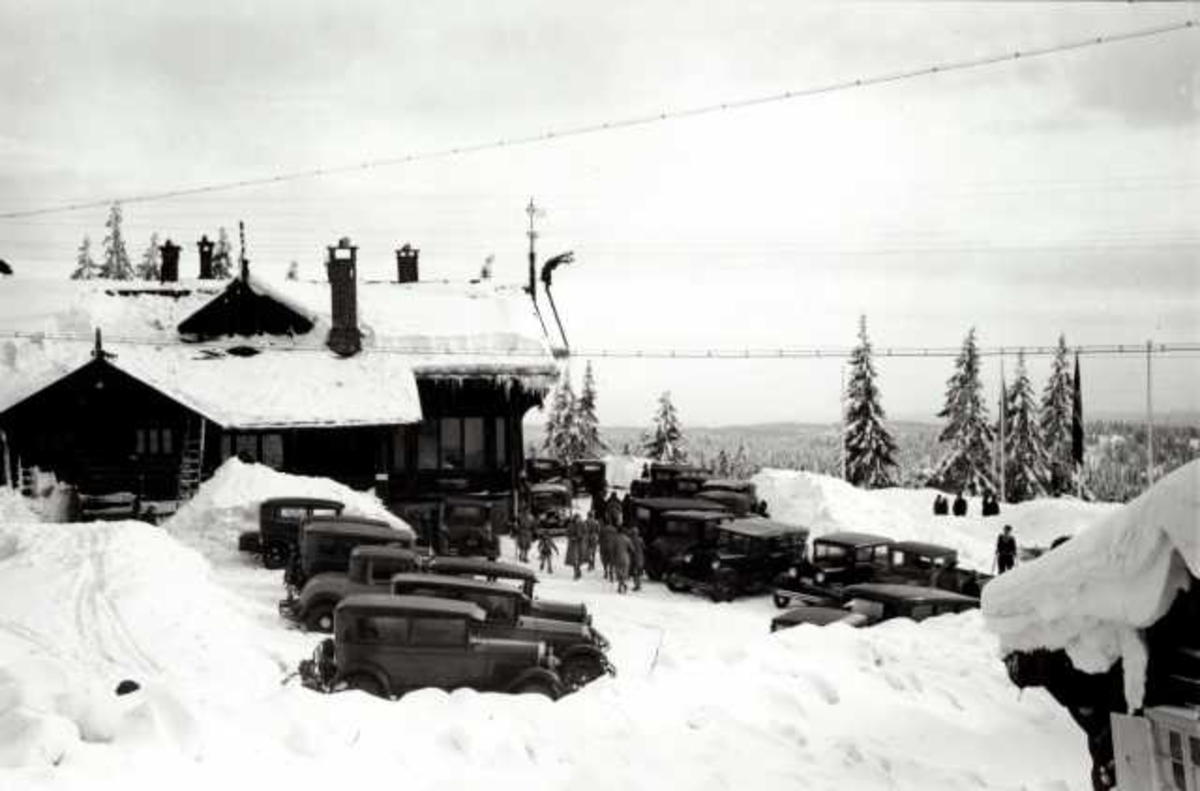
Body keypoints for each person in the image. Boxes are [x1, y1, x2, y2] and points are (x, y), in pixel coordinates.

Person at [612, 529, 632, 594]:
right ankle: (621, 586)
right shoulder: (627, 539)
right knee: (624, 572)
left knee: (619, 573)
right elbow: (632, 549)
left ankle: (621, 585)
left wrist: (613, 557)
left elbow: (613, 549)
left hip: (618, 557)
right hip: (626, 557)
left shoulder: (615, 539)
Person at [566, 515, 584, 580]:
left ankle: (578, 571)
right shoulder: (570, 525)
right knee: (574, 559)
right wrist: (571, 537)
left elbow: (584, 533)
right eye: (577, 519)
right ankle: (576, 573)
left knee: (578, 559)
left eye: (579, 519)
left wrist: (580, 537)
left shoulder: (581, 525)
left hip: (579, 544)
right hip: (572, 544)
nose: (578, 520)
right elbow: (567, 533)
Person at [629, 528, 645, 592]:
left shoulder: (631, 540)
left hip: (634, 559)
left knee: (635, 573)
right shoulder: (641, 540)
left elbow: (630, 549)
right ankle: (638, 585)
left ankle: (636, 585)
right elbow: (644, 547)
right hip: (641, 558)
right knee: (639, 573)